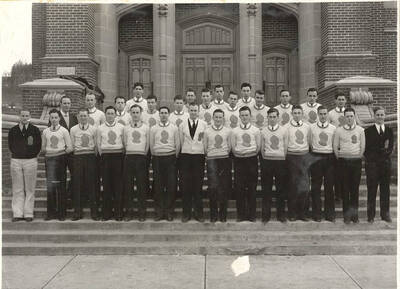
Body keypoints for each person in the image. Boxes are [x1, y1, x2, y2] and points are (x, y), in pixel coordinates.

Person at [8, 110, 42, 222]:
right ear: (19, 116)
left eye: (27, 116)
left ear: (30, 117)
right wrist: (18, 154)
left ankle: (28, 213)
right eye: (22, 115)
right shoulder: (13, 130)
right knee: (17, 188)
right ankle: (17, 213)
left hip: (30, 161)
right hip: (16, 160)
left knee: (30, 188)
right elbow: (10, 145)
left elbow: (38, 146)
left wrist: (30, 155)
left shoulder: (35, 130)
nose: (24, 117)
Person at [333, 107, 365, 224]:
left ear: (354, 116)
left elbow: (362, 146)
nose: (349, 118)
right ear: (344, 117)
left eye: (351, 116)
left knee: (354, 189)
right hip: (343, 161)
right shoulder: (339, 130)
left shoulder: (360, 130)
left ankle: (354, 215)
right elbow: (335, 146)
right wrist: (341, 157)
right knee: (345, 189)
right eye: (347, 116)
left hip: (356, 161)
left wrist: (357, 157)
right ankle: (346, 215)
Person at [150, 107, 180, 221]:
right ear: (159, 115)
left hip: (170, 157)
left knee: (171, 185)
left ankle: (169, 212)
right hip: (157, 158)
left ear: (168, 114)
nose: (163, 115)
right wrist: (156, 155)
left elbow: (177, 144)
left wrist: (173, 156)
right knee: (158, 185)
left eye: (165, 113)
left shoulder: (174, 128)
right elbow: (151, 144)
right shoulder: (153, 128)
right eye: (161, 113)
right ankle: (159, 212)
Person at [42, 109, 73, 221]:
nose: (54, 119)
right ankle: (50, 213)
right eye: (52, 117)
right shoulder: (45, 131)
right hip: (49, 160)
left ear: (59, 118)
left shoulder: (64, 131)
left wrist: (60, 154)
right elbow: (43, 147)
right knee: (50, 187)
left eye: (56, 117)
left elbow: (70, 147)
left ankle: (61, 213)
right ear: (49, 118)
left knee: (60, 186)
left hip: (60, 159)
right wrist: (49, 153)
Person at [364, 107, 394, 223]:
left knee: (385, 190)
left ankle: (385, 214)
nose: (380, 117)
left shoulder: (389, 130)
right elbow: (366, 149)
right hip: (372, 165)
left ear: (384, 116)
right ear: (374, 116)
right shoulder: (368, 131)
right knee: (371, 190)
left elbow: (391, 147)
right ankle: (370, 215)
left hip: (385, 165)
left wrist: (384, 157)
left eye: (382, 115)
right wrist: (373, 159)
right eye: (378, 115)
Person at [179, 102, 208, 222]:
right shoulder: (182, 125)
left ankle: (198, 213)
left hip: (198, 156)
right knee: (186, 186)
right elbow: (181, 141)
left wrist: (204, 153)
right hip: (186, 156)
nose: (193, 112)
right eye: (191, 110)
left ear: (199, 111)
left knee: (197, 185)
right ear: (188, 111)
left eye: (195, 110)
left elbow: (205, 141)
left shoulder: (204, 124)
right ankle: (186, 213)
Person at [231, 106, 260, 222]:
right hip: (239, 161)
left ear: (250, 116)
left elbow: (257, 148)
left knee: (252, 189)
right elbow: (233, 148)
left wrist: (246, 152)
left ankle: (252, 215)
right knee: (240, 188)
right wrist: (241, 153)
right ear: (239, 116)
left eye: (246, 115)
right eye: (242, 115)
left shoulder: (256, 130)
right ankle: (241, 215)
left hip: (251, 161)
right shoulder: (234, 131)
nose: (244, 117)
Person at [48, 96, 78, 210]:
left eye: (68, 103)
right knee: (59, 178)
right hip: (59, 154)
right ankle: (60, 203)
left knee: (75, 176)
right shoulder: (55, 117)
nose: (66, 105)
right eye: (64, 103)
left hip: (71, 153)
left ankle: (69, 197)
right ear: (60, 104)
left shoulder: (74, 117)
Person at [70, 108, 99, 221]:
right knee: (77, 185)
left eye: (85, 116)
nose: (83, 118)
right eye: (81, 116)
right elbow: (72, 145)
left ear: (88, 117)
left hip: (90, 157)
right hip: (77, 157)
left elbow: (96, 145)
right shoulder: (73, 130)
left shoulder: (94, 129)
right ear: (77, 117)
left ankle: (94, 212)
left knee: (92, 185)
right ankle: (77, 212)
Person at [260, 108, 288, 223]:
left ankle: (281, 215)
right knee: (266, 189)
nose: (272, 119)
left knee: (280, 189)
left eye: (274, 117)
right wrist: (265, 158)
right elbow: (262, 148)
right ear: (267, 118)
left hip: (280, 161)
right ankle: (265, 215)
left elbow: (285, 147)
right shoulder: (263, 131)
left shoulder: (283, 131)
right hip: (267, 161)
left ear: (278, 118)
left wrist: (281, 158)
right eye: (270, 117)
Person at [97, 106, 125, 221]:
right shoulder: (100, 128)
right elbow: (98, 143)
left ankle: (118, 213)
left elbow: (124, 143)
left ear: (115, 115)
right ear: (105, 115)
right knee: (107, 185)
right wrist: (103, 155)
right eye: (108, 113)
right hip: (106, 157)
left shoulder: (121, 127)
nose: (110, 115)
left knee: (118, 186)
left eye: (112, 113)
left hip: (118, 157)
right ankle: (106, 213)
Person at [204, 109, 232, 222]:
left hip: (224, 159)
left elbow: (229, 146)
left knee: (224, 187)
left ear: (223, 118)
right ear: (213, 118)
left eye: (220, 117)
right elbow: (205, 147)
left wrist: (222, 154)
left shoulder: (227, 131)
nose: (218, 119)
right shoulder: (207, 131)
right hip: (212, 159)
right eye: (216, 117)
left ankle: (223, 215)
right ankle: (213, 215)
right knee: (213, 187)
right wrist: (212, 155)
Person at [123, 104, 150, 222]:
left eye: (137, 112)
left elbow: (148, 143)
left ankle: (141, 212)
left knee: (141, 186)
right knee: (128, 186)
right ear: (130, 113)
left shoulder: (146, 127)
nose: (135, 115)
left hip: (141, 158)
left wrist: (143, 154)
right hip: (129, 157)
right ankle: (129, 212)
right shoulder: (126, 128)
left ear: (140, 113)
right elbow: (124, 142)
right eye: (133, 112)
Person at [309, 106, 336, 222]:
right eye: (321, 114)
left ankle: (329, 214)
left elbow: (335, 144)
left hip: (329, 158)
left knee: (329, 187)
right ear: (317, 115)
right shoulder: (312, 128)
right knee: (316, 187)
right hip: (316, 157)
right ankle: (317, 214)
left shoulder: (333, 128)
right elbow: (310, 143)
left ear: (328, 115)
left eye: (325, 114)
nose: (323, 116)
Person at [286, 105, 311, 221]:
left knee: (304, 186)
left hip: (304, 157)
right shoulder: (286, 127)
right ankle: (292, 213)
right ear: (291, 114)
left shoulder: (307, 127)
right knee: (292, 186)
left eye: (298, 113)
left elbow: (310, 142)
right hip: (292, 157)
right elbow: (285, 144)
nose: (296, 115)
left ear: (302, 114)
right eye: (294, 113)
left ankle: (303, 213)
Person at [329, 93, 347, 202]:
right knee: (336, 171)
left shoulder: (349, 113)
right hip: (335, 145)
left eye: (342, 99)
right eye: (339, 99)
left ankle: (345, 193)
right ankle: (338, 194)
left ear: (345, 101)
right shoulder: (331, 113)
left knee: (345, 172)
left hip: (346, 145)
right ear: (335, 101)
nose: (340, 101)